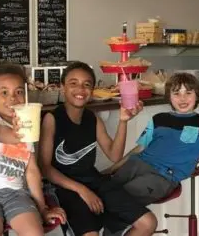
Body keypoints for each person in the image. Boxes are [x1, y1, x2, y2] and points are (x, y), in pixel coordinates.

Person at [38, 61, 157, 236]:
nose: (80, 89)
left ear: (92, 90)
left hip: (94, 181)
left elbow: (115, 156)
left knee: (148, 222)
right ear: (62, 87)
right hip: (63, 187)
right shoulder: (52, 119)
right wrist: (82, 190)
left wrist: (123, 121)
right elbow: (45, 168)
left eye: (87, 85)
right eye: (73, 83)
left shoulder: (92, 118)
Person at [0, 62, 66, 236]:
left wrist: (42, 208)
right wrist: (18, 133)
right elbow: (0, 133)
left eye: (18, 92)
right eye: (4, 92)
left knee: (34, 233)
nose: (12, 98)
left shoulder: (26, 125)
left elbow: (31, 171)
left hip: (16, 194)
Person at [105, 73, 199, 206]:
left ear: (197, 96)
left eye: (188, 93)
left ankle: (122, 226)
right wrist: (111, 169)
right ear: (169, 97)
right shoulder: (158, 119)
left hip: (163, 176)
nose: (182, 98)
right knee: (103, 193)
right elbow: (139, 149)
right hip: (137, 164)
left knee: (120, 199)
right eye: (176, 93)